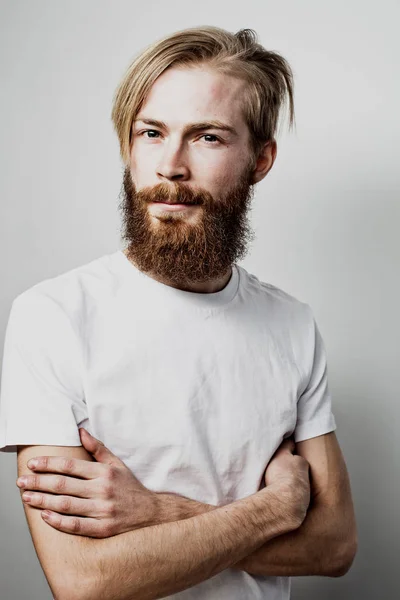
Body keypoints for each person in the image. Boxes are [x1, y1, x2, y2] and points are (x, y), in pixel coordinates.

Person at [0, 25, 357, 600]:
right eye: (151, 132)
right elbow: (83, 581)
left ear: (260, 159)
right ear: (127, 144)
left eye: (208, 137)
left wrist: (157, 510)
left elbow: (335, 545)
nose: (170, 165)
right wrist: (277, 507)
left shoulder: (292, 323)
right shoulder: (54, 316)